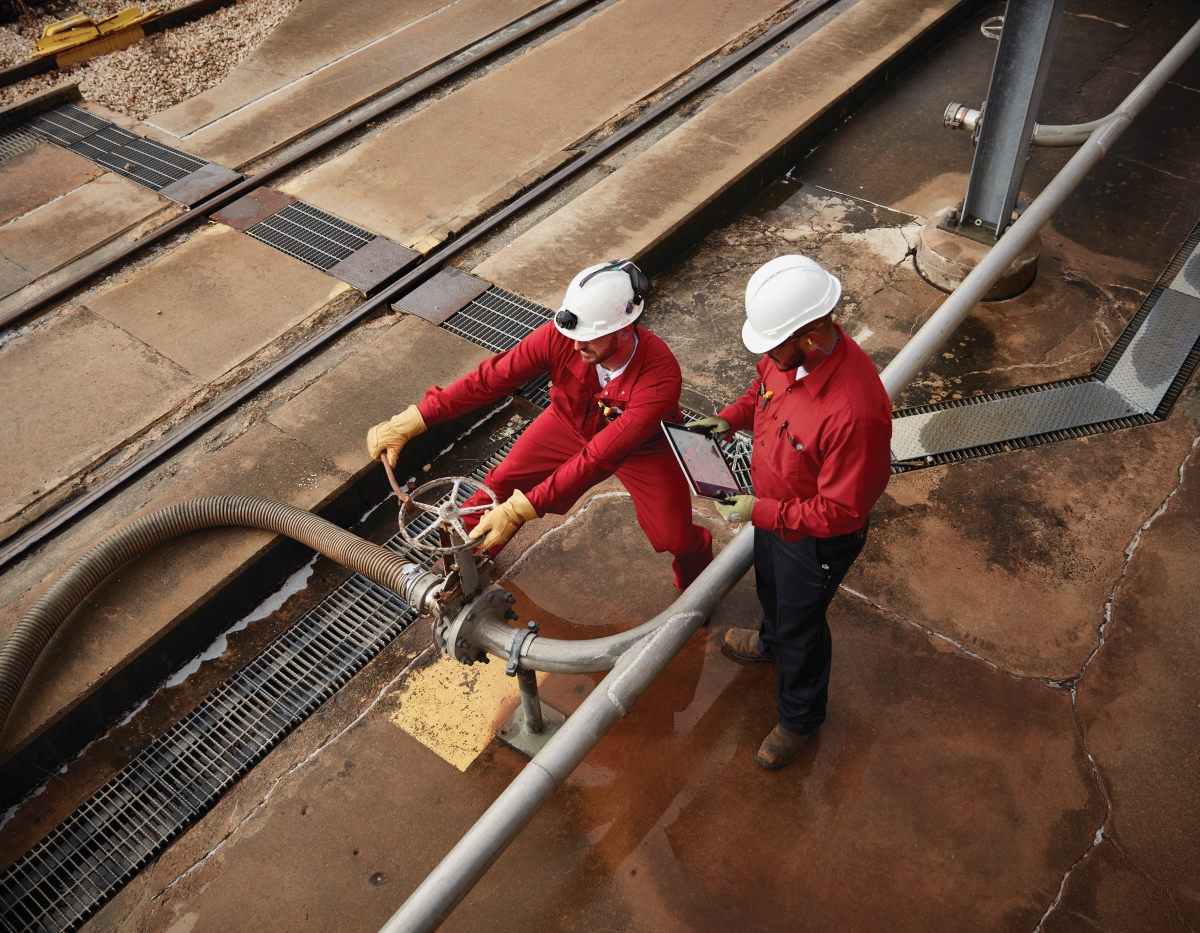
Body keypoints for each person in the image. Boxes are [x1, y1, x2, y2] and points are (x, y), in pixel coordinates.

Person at [367, 260, 713, 589]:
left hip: (641, 448)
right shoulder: (562, 337)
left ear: (623, 330)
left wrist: (524, 509)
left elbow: (597, 459)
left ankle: (698, 586)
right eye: (572, 334)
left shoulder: (658, 380)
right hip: (569, 420)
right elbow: (491, 379)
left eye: (588, 338)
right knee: (500, 483)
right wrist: (416, 418)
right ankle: (464, 558)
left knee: (674, 536)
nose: (576, 345)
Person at [688, 255, 892, 770]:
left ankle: (800, 717)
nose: (768, 355)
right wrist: (730, 418)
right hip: (775, 513)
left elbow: (843, 511)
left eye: (773, 343)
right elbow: (759, 391)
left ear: (815, 331)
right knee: (772, 586)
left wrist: (762, 511)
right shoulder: (786, 358)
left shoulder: (853, 411)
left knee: (803, 624)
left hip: (816, 536)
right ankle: (770, 640)